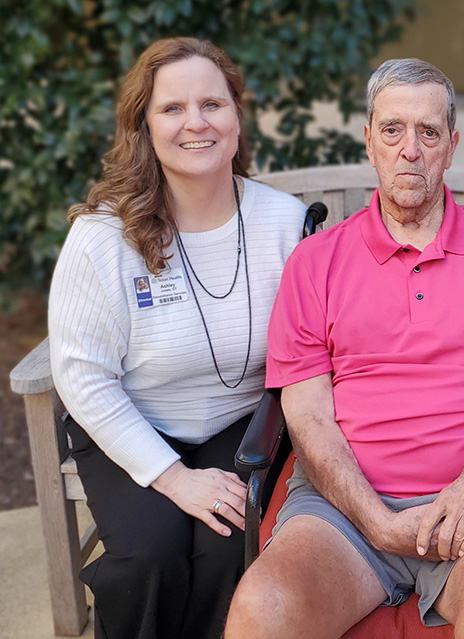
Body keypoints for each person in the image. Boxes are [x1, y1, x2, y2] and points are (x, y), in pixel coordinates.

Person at [224, 58, 464, 639]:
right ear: (370, 142)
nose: (411, 149)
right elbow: (306, 415)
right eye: (393, 129)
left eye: (428, 132)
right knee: (261, 611)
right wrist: (374, 520)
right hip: (345, 511)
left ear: (450, 147)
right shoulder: (316, 262)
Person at [48, 37, 307, 639]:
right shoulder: (103, 236)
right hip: (130, 421)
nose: (196, 123)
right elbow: (83, 376)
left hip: (242, 422)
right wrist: (174, 479)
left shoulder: (284, 224)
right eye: (172, 109)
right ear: (144, 125)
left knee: (230, 546)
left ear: (237, 118)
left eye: (212, 104)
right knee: (148, 558)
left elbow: (314, 350)